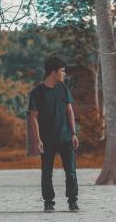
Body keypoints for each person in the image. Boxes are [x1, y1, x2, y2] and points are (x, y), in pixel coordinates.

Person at [28, 56, 80, 212]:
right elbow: (33, 118)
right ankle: (49, 202)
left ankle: (73, 201)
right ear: (53, 72)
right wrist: (38, 140)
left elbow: (69, 111)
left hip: (65, 137)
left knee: (71, 171)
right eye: (62, 71)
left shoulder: (63, 88)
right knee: (47, 172)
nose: (64, 74)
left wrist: (73, 133)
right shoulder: (37, 92)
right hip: (47, 139)